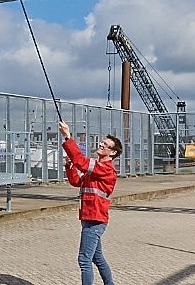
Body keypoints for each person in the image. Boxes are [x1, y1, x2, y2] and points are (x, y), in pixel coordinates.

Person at [59, 121, 121, 285]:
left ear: (113, 152)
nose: (101, 144)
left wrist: (67, 136)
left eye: (105, 144)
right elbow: (77, 181)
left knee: (84, 259)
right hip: (89, 218)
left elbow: (81, 161)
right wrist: (69, 166)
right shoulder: (97, 168)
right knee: (96, 257)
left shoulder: (106, 169)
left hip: (96, 220)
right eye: (102, 142)